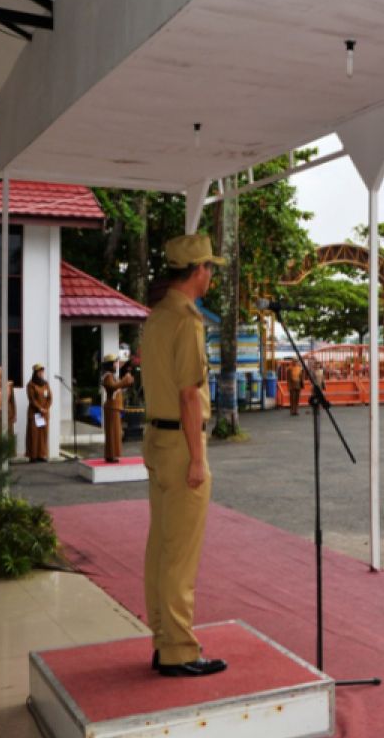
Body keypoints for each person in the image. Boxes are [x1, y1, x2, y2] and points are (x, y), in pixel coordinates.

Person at [141, 234, 228, 678]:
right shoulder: (187, 321)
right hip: (180, 443)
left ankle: (162, 637)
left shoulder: (156, 317)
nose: (211, 275)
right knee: (180, 554)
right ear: (198, 271)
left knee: (160, 546)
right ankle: (178, 648)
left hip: (156, 439)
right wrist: (198, 458)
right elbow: (190, 395)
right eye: (210, 267)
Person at [101, 355, 135, 462]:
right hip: (111, 407)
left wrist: (127, 383)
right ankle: (111, 455)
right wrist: (125, 381)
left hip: (114, 407)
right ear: (110, 364)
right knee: (112, 432)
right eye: (115, 362)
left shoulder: (112, 376)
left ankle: (112, 454)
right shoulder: (108, 376)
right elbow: (113, 387)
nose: (117, 364)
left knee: (115, 432)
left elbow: (118, 387)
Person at [25, 364, 53, 462]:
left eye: (42, 372)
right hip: (35, 413)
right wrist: (40, 408)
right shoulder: (31, 384)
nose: (41, 374)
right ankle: (33, 456)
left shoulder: (46, 384)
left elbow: (50, 397)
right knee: (34, 435)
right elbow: (32, 399)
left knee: (43, 434)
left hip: (44, 414)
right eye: (39, 372)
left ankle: (41, 455)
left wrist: (46, 408)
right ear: (35, 373)